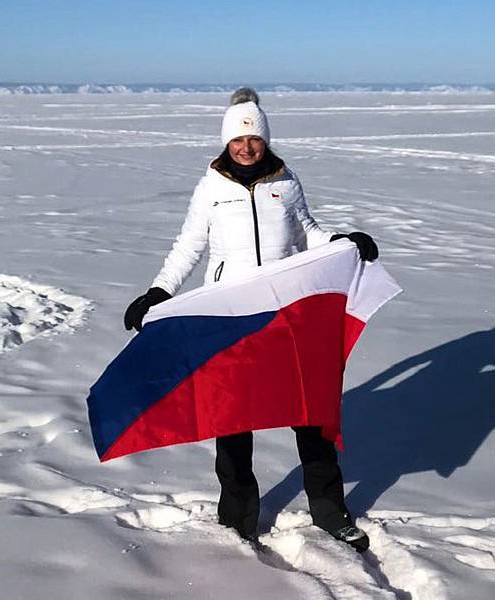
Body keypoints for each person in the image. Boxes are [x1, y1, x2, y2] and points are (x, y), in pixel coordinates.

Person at [124, 88, 378, 552]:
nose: (246, 147)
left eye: (254, 139)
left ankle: (330, 511)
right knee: (234, 419)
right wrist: (160, 291)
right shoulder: (211, 187)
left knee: (311, 415)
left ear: (265, 140)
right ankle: (238, 520)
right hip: (232, 316)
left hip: (285, 312)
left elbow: (309, 231)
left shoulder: (286, 180)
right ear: (226, 142)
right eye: (238, 140)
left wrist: (342, 241)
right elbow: (189, 245)